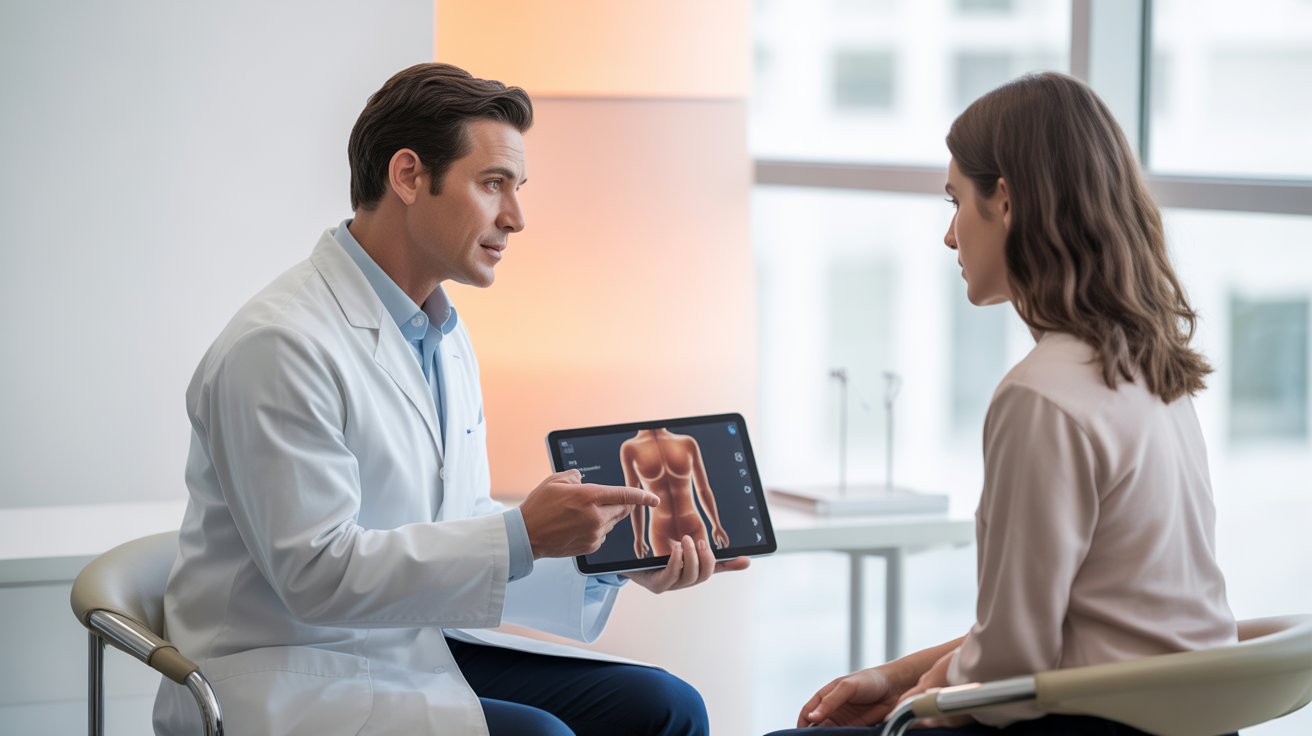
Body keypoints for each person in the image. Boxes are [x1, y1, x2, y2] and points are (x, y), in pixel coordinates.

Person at [153, 62, 748, 736]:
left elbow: (456, 523)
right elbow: (316, 575)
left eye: (517, 189)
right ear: (408, 176)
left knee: (667, 708)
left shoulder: (439, 333)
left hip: (410, 645)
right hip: (296, 672)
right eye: (493, 184)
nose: (516, 218)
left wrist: (608, 561)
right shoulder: (279, 346)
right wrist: (524, 533)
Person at [767, 72, 1236, 736]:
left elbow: (1011, 671)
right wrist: (902, 678)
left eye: (956, 201)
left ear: (1006, 202)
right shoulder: (1151, 370)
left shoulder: (1041, 395)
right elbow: (1065, 628)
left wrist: (916, 705)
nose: (949, 236)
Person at [621, 428, 731, 558]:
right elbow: (636, 498)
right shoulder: (630, 448)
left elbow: (703, 489)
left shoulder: (687, 442)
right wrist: (638, 537)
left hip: (693, 526)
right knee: (671, 571)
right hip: (661, 533)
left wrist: (716, 524)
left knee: (705, 567)